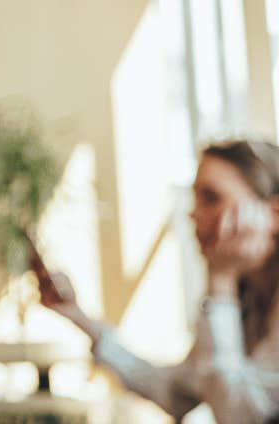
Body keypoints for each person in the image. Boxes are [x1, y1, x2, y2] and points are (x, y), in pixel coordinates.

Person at [31, 140, 279, 423]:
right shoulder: (244, 299)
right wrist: (80, 318)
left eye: (211, 198)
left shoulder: (228, 292)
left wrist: (220, 282)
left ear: (273, 213)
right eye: (195, 197)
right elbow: (175, 391)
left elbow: (240, 416)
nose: (193, 214)